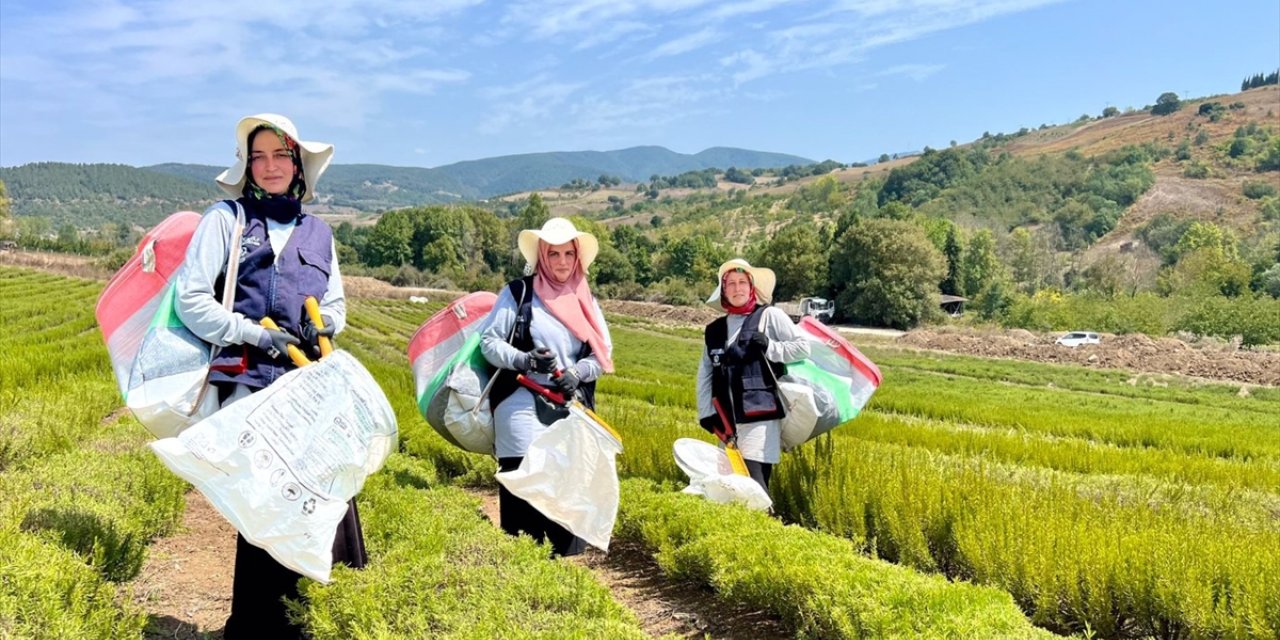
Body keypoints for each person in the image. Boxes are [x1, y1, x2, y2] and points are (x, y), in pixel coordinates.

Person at [173, 113, 366, 639]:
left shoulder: (319, 232)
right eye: (258, 156)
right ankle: (257, 626)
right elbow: (191, 300)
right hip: (250, 386)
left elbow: (337, 303)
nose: (270, 165)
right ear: (247, 166)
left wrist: (323, 323)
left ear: (299, 165)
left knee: (319, 501)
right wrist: (257, 335)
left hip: (309, 388)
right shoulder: (226, 220)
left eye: (281, 155)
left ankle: (308, 623)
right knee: (264, 511)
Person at [481, 217, 614, 557]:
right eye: (553, 254)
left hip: (567, 403)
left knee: (565, 489)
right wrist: (524, 360)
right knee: (525, 484)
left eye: (568, 254)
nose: (562, 262)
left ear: (577, 257)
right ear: (542, 256)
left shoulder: (586, 300)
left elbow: (603, 354)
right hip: (521, 400)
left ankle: (562, 568)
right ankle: (522, 563)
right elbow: (489, 342)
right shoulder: (518, 293)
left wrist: (579, 372)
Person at [696, 258, 809, 496]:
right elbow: (705, 372)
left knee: (755, 484)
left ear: (751, 288)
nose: (737, 288)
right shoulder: (714, 330)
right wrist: (706, 413)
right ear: (723, 290)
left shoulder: (770, 316)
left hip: (760, 417)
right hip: (726, 419)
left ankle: (765, 527)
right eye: (731, 284)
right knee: (729, 483)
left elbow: (802, 348)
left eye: (742, 283)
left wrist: (770, 347)